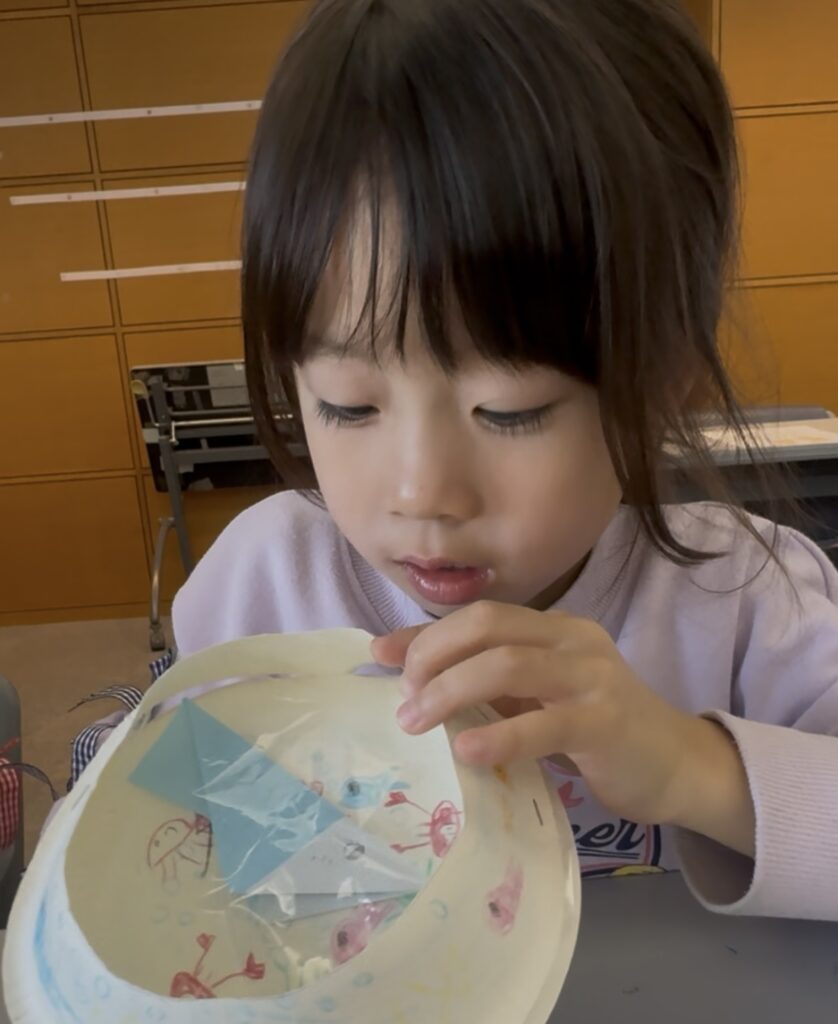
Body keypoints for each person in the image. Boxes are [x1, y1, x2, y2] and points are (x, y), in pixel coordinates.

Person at [170, 0, 838, 921]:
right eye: (347, 404)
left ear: (664, 380)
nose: (423, 494)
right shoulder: (258, 590)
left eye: (509, 411)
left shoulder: (750, 602)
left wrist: (691, 765)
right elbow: (214, 876)